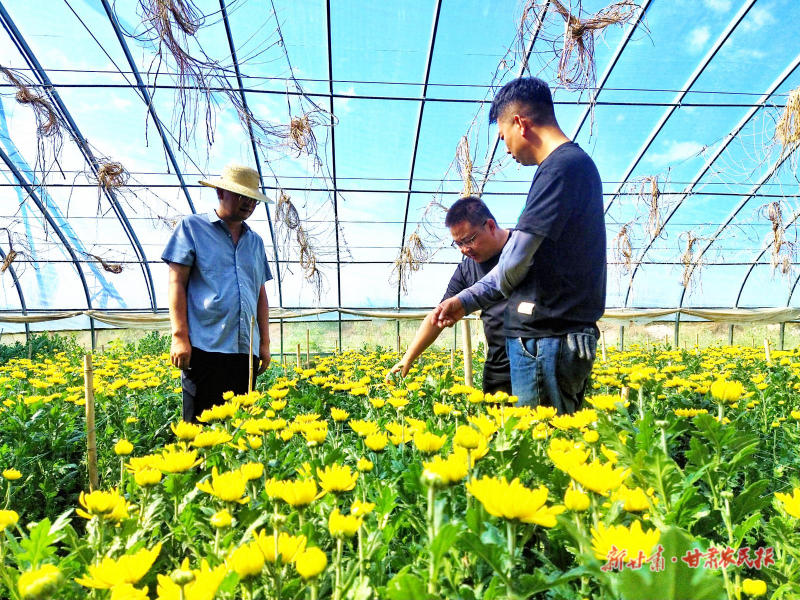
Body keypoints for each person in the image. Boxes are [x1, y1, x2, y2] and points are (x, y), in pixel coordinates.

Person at [433, 77, 606, 414]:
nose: (506, 148)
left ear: (520, 123)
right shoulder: (565, 168)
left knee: (542, 448)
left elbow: (515, 260)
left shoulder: (561, 168)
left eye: (502, 137)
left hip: (548, 341)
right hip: (552, 339)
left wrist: (466, 300)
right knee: (551, 446)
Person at [162, 163, 273, 422]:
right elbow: (176, 282)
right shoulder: (191, 228)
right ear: (220, 193)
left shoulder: (255, 241)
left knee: (240, 429)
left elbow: (260, 293)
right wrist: (179, 337)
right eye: (241, 196)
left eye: (253, 199)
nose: (248, 204)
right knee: (199, 426)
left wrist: (264, 344)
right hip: (204, 347)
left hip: (244, 351)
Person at [387, 196, 513, 394]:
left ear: (490, 226)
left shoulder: (525, 247)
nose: (464, 250)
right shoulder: (466, 270)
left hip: (541, 360)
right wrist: (407, 359)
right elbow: (438, 315)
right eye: (458, 244)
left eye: (469, 240)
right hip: (500, 366)